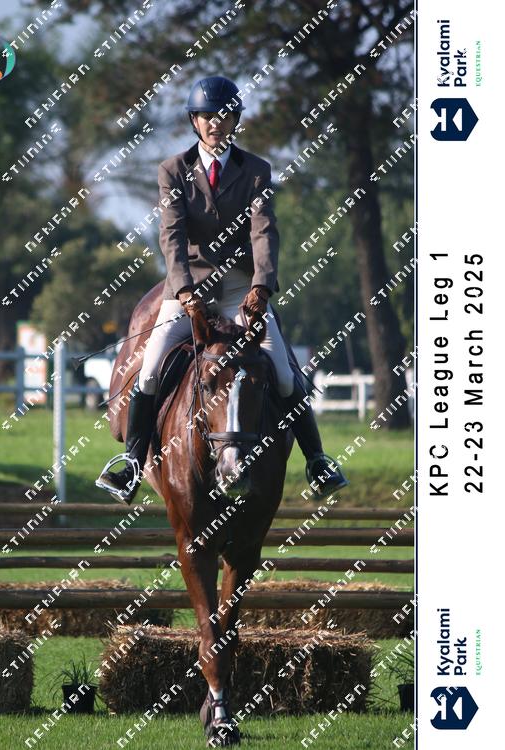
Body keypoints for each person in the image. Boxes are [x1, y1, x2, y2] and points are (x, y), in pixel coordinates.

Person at [96, 75, 349, 503]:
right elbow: (172, 236)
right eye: (207, 116)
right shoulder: (172, 170)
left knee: (283, 371)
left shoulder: (256, 170)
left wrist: (261, 286)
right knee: (152, 365)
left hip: (238, 288)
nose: (216, 123)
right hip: (189, 287)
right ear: (194, 121)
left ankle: (317, 461)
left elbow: (264, 231)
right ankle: (132, 464)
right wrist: (184, 293)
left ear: (235, 121)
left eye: (224, 116)